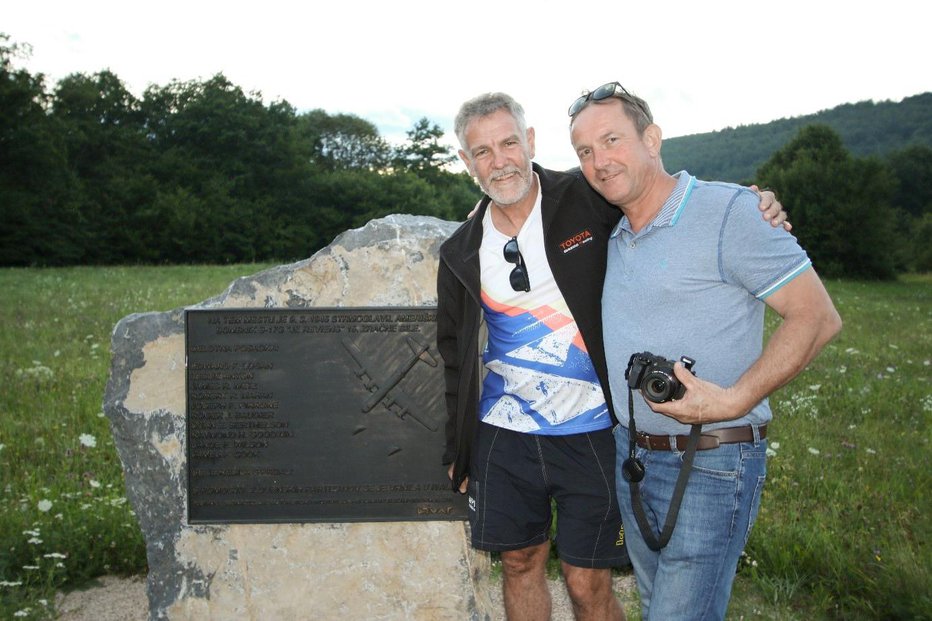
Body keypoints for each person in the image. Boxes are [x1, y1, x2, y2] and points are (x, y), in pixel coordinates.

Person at [436, 92, 787, 621]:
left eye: (509, 142)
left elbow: (661, 194)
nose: (499, 159)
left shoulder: (585, 197)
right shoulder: (461, 247)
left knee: (585, 581)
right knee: (519, 561)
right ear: (467, 163)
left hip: (594, 430)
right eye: (482, 152)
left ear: (530, 142)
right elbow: (453, 353)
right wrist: (457, 446)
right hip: (503, 435)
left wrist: (753, 201)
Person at [568, 82, 842, 620]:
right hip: (634, 457)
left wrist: (734, 398)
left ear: (652, 139)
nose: (599, 161)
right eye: (584, 151)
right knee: (657, 606)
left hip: (713, 459)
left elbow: (817, 316)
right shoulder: (613, 232)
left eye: (611, 140)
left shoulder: (730, 212)